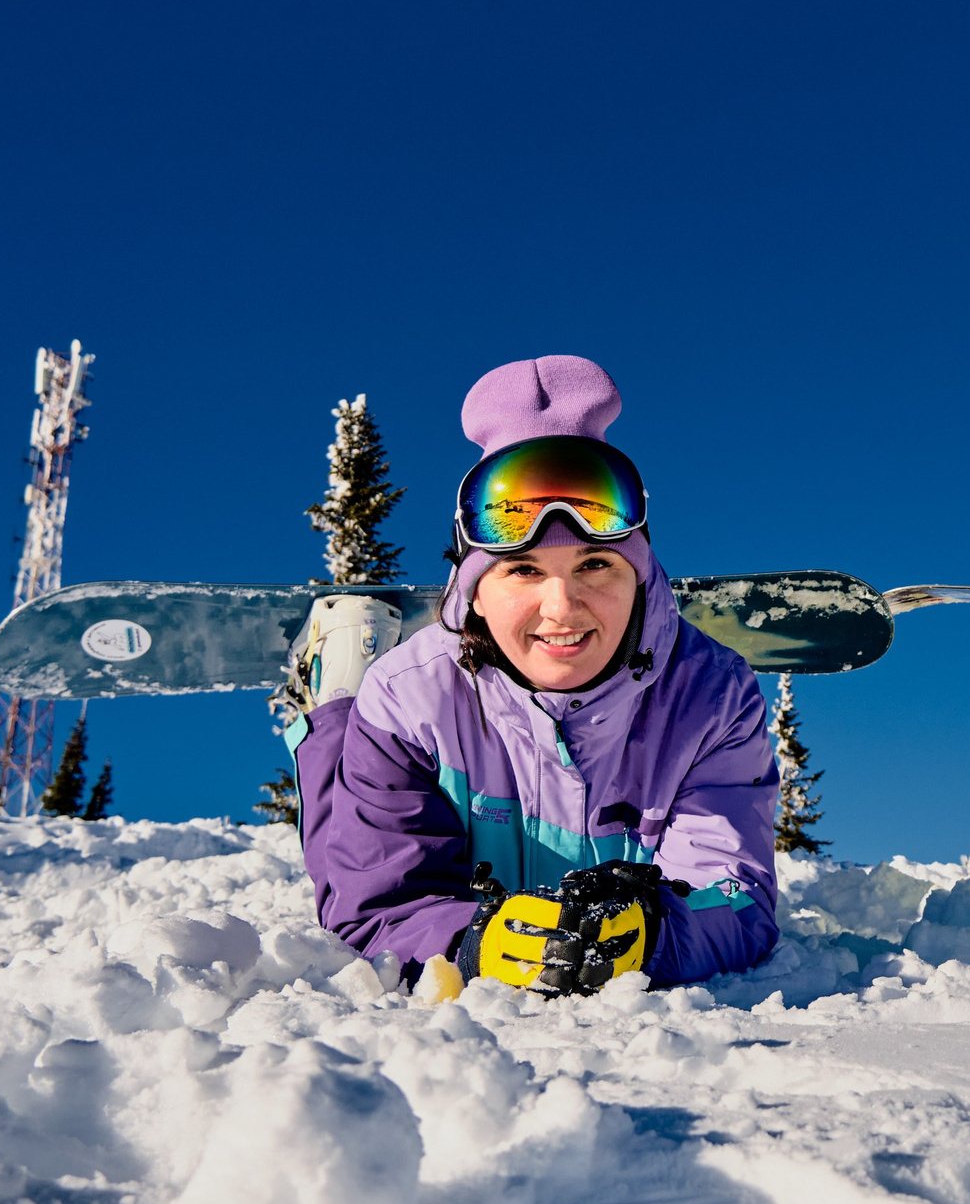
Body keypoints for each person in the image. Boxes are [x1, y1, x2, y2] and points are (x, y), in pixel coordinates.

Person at [285, 355, 780, 999]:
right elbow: (374, 903)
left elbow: (735, 896)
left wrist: (655, 932)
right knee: (338, 798)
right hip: (405, 725)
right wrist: (476, 941)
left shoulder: (715, 697)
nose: (562, 607)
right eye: (522, 570)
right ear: (475, 592)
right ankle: (336, 693)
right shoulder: (408, 697)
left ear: (640, 576)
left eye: (596, 565)